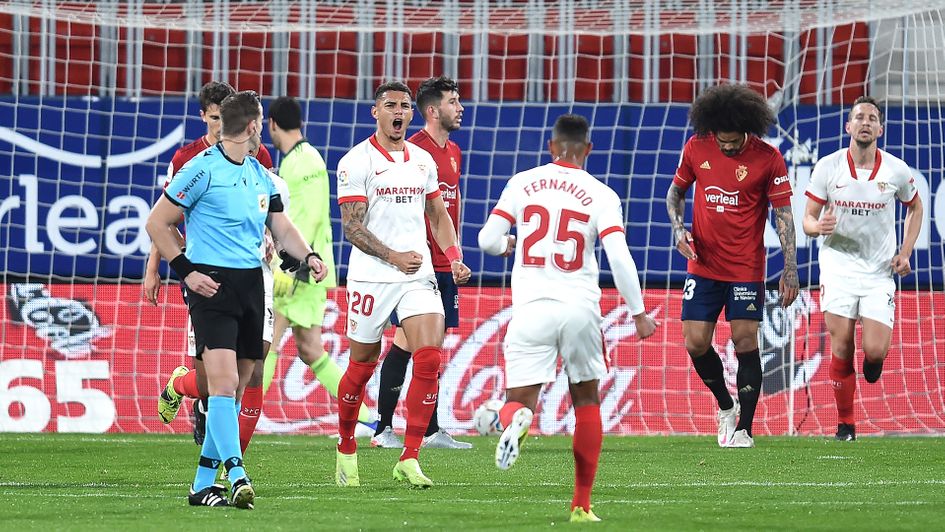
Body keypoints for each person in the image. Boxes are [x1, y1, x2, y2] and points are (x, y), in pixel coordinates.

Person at [146, 90, 328, 508]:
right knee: (224, 385)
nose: (262, 128)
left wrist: (310, 255)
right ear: (251, 126)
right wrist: (186, 271)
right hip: (211, 287)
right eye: (260, 121)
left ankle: (201, 484)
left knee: (240, 385)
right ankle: (237, 472)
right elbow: (157, 222)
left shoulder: (261, 174)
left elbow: (281, 228)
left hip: (253, 285)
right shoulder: (199, 170)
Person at [478, 114, 658, 523]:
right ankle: (581, 505)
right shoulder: (601, 193)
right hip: (579, 309)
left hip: (530, 308)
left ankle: (514, 419)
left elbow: (486, 240)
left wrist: (513, 242)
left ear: (550, 145)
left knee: (517, 402)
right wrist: (639, 312)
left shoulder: (523, 182)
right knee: (586, 401)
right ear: (587, 149)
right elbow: (619, 257)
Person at [333, 81, 471, 488]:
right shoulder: (355, 162)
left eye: (405, 106)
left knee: (429, 357)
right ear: (375, 112)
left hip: (417, 274)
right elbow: (352, 227)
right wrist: (392, 256)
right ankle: (345, 447)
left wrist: (453, 256)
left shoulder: (423, 161)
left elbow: (438, 214)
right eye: (390, 105)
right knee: (360, 367)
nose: (398, 112)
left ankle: (409, 458)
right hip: (371, 276)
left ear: (412, 113)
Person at [665, 83, 799, 449]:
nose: (727, 148)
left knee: (744, 341)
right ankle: (726, 405)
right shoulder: (696, 147)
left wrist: (790, 268)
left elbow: (784, 215)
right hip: (703, 265)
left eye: (733, 142)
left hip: (745, 268)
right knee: (695, 343)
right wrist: (679, 230)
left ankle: (745, 429)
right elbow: (675, 194)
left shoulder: (768, 158)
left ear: (748, 130)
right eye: (722, 142)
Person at [148, 81, 275, 456]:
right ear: (204, 116)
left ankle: (229, 458)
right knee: (209, 378)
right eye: (215, 117)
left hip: (250, 269)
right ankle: (182, 388)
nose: (221, 126)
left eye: (226, 117)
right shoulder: (188, 160)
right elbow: (164, 218)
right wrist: (154, 267)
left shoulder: (258, 155)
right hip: (206, 270)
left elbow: (265, 204)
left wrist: (271, 237)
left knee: (254, 362)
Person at [802, 96, 922, 442]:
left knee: (873, 352)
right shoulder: (828, 166)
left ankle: (872, 363)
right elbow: (808, 218)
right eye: (859, 117)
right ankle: (846, 425)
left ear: (880, 129)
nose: (865, 122)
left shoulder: (896, 170)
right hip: (838, 268)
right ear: (848, 126)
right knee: (840, 347)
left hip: (878, 272)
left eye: (872, 118)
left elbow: (915, 207)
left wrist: (906, 250)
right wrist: (816, 227)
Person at [371, 76, 471, 450]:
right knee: (421, 347)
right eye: (453, 101)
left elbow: (442, 214)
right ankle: (417, 430)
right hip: (416, 268)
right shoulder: (411, 151)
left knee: (410, 346)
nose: (459, 108)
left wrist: (454, 255)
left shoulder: (452, 152)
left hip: (443, 265)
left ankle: (392, 428)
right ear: (432, 110)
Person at [263, 96, 374, 429]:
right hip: (307, 267)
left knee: (266, 342)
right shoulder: (298, 159)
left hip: (299, 270)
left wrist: (296, 265)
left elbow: (309, 217)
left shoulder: (303, 161)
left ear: (271, 124)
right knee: (311, 349)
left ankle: (240, 415)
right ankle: (370, 419)